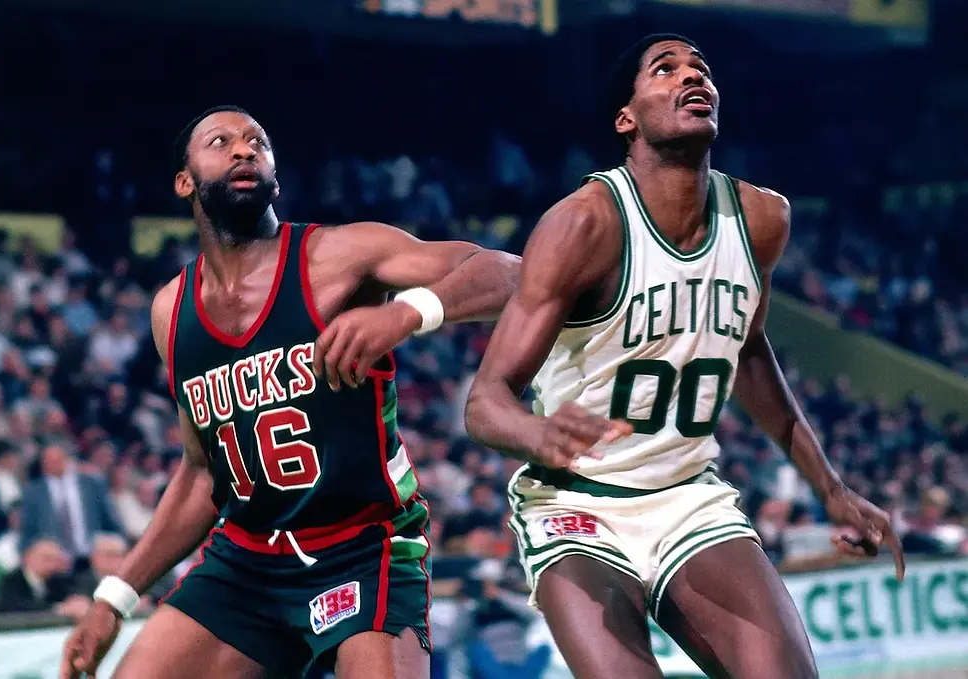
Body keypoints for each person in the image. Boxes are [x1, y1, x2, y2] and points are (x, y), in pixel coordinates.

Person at [464, 34, 905, 679]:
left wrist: (830, 488)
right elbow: (484, 403)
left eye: (700, 68)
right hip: (577, 506)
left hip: (687, 499)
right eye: (664, 70)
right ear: (627, 118)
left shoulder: (762, 219)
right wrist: (536, 430)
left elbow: (748, 354)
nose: (690, 77)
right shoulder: (584, 223)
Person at [60, 105, 520, 679]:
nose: (243, 149)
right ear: (184, 182)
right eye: (220, 141)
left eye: (258, 141)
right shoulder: (169, 313)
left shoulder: (340, 254)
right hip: (247, 561)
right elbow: (203, 473)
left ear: (276, 171)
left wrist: (407, 313)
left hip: (361, 547)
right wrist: (114, 597)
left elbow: (511, 272)